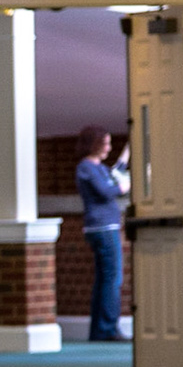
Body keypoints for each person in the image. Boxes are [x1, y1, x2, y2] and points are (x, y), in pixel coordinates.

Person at [75, 126, 131, 342]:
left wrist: (129, 147)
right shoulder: (86, 167)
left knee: (104, 280)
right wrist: (122, 189)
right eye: (105, 143)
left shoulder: (98, 167)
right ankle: (108, 328)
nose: (108, 147)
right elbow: (106, 190)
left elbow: (117, 171)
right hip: (102, 228)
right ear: (94, 144)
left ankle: (100, 330)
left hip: (105, 227)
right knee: (112, 279)